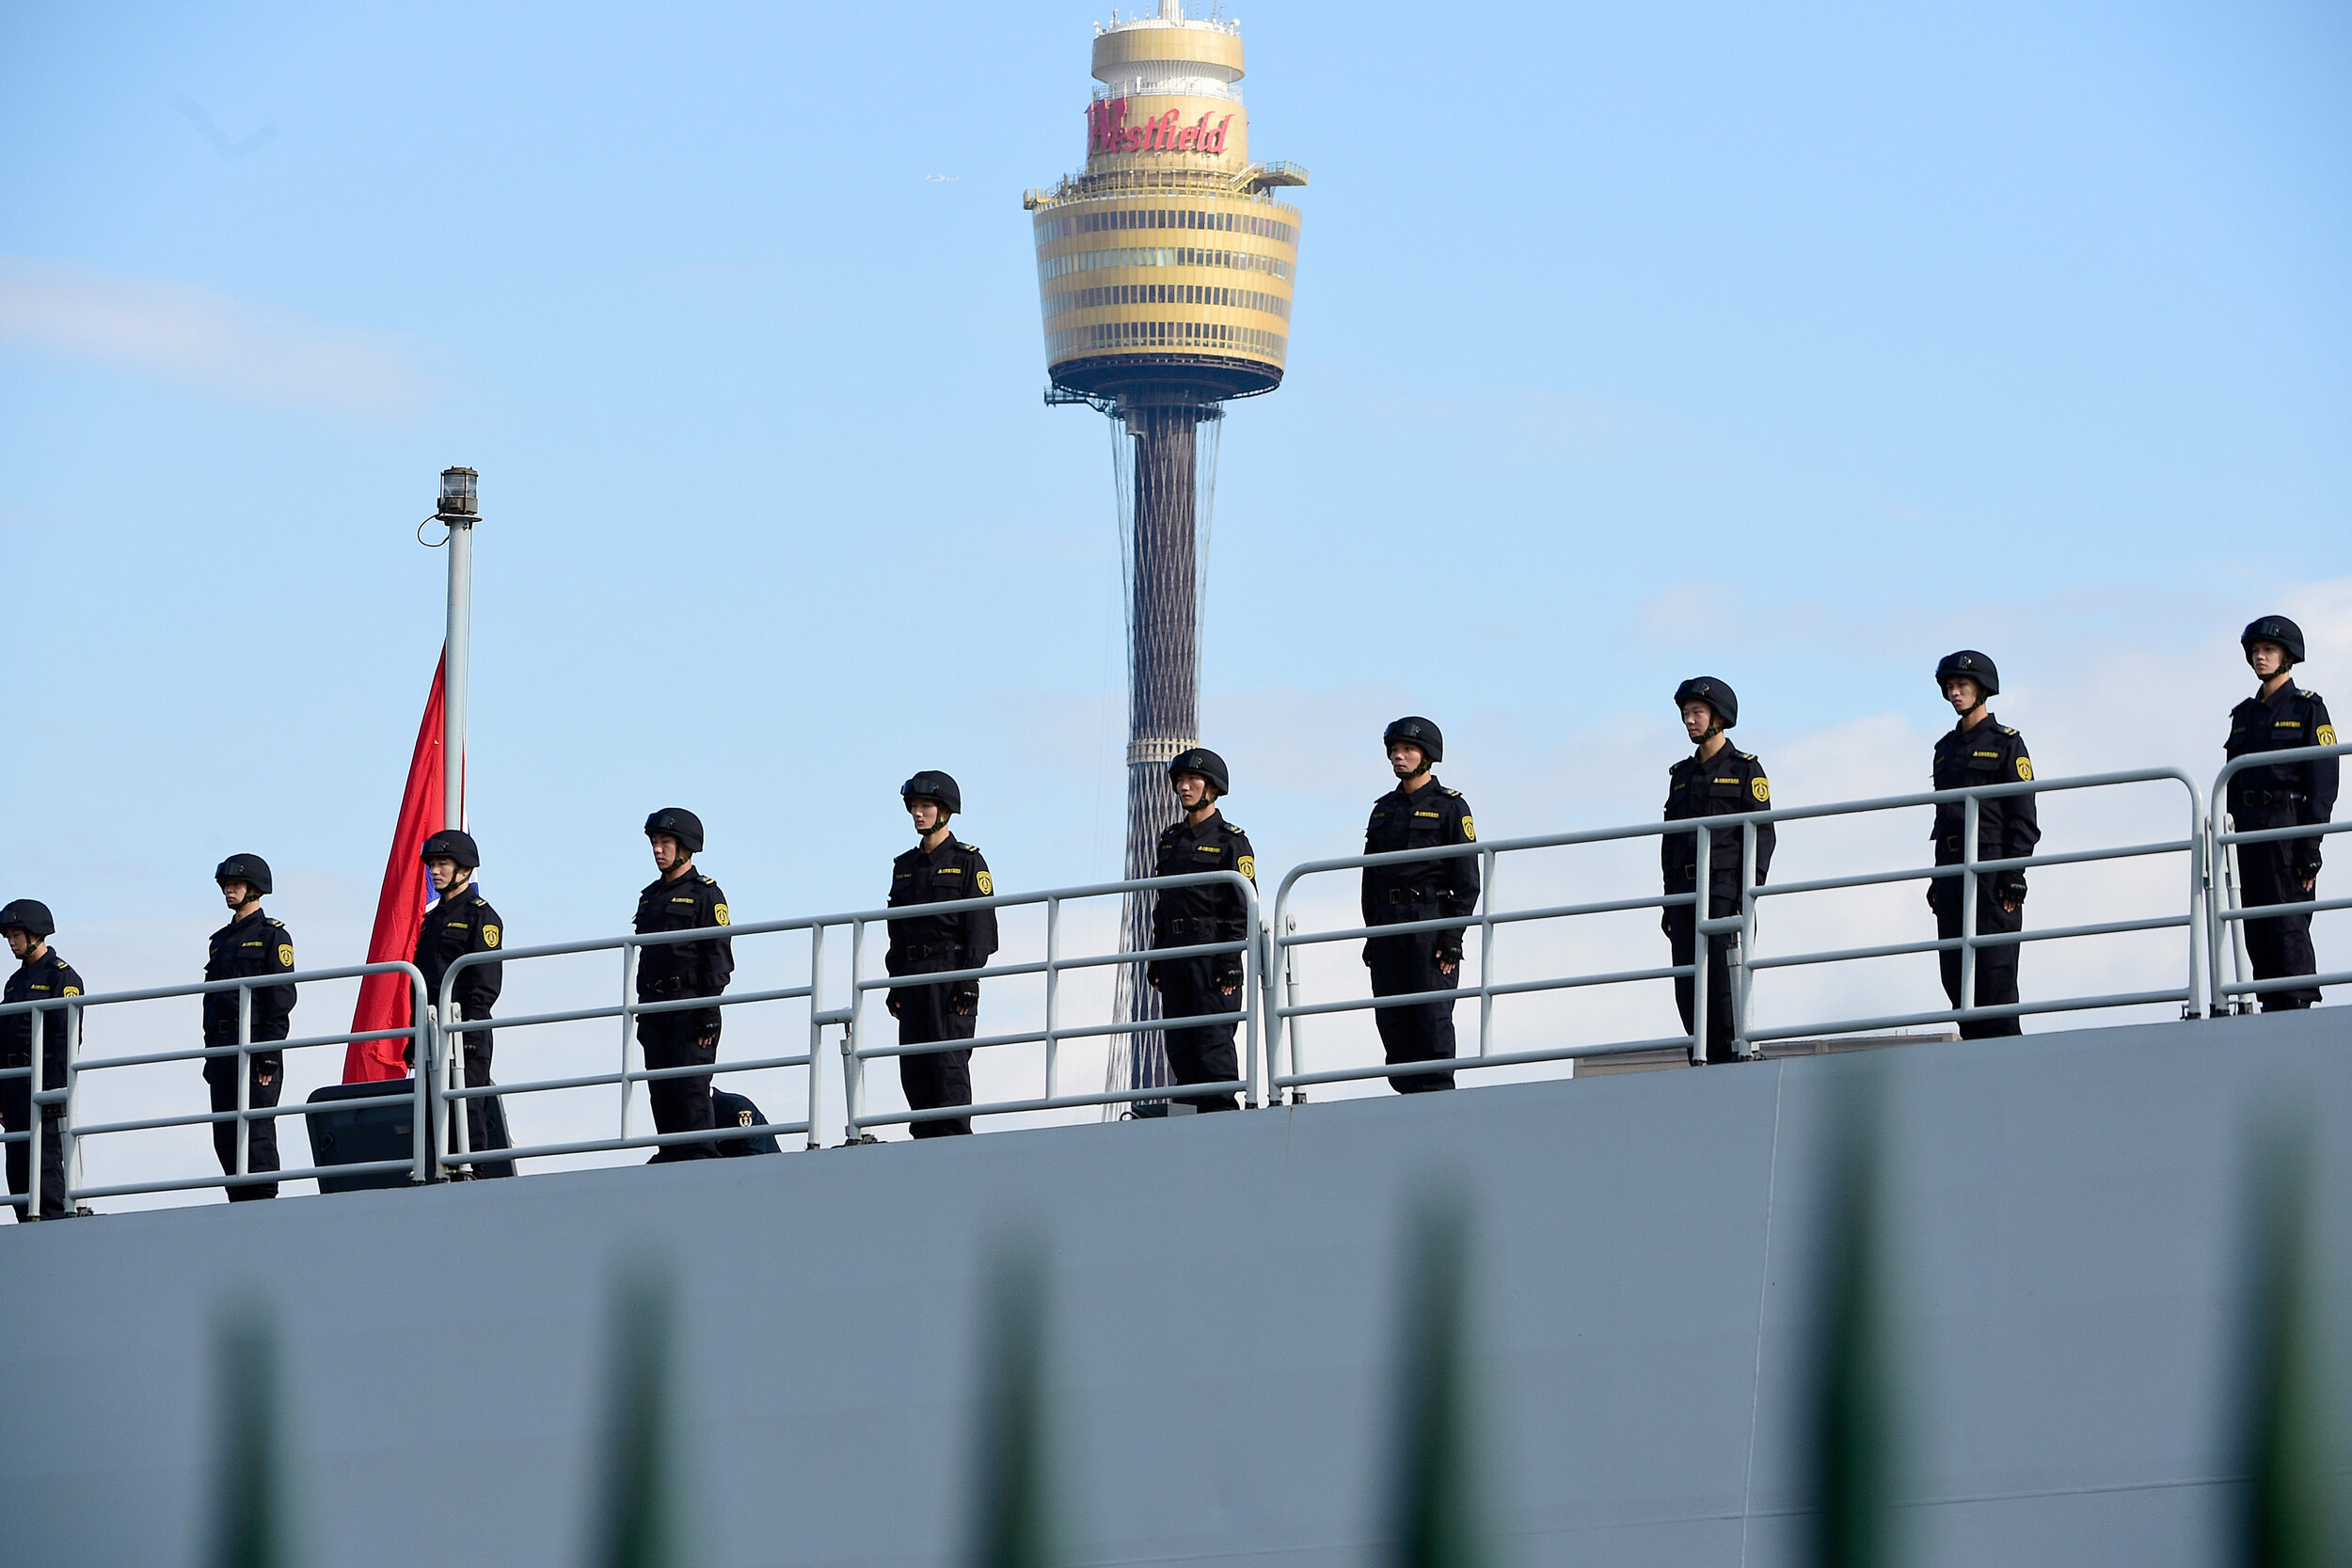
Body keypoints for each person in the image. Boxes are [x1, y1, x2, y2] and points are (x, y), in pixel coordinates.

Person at [2224, 616, 2339, 1010]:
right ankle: (2272, 1010)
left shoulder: (2308, 708)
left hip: (2288, 827)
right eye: (2255, 651)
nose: (2260, 656)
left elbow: (2323, 781)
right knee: (2256, 927)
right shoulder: (2243, 715)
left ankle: (2297, 1010)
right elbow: (2231, 785)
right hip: (2247, 831)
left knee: (2288, 925)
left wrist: (2310, 844)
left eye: (2269, 650)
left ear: (2288, 656)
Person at [1362, 717, 1479, 1093]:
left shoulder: (1451, 807)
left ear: (1427, 756)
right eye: (1394, 750)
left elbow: (1466, 880)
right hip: (1388, 926)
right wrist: (1371, 933)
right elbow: (1370, 881)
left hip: (1430, 923)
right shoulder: (1382, 810)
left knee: (1432, 1016)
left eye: (1408, 750)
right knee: (1392, 1017)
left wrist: (1452, 934)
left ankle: (1437, 1096)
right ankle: (1405, 1095)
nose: (1399, 756)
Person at [1661, 679, 1774, 1063]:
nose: (1689, 721)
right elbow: (1669, 844)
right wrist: (1669, 902)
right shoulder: (1680, 776)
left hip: (1727, 893)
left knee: (1727, 987)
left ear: (1719, 718)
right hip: (1686, 894)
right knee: (1689, 987)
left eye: (1697, 713)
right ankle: (1700, 1058)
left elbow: (1762, 835)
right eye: (1685, 714)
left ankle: (1734, 1060)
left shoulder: (1746, 770)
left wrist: (1749, 893)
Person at [1928, 651, 2041, 1037]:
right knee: (1956, 978)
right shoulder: (1945, 749)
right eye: (1950, 687)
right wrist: (1937, 877)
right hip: (1952, 872)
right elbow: (1942, 819)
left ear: (1982, 690)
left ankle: (2005, 1062)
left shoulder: (2007, 743)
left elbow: (2023, 816)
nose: (1955, 693)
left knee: (1995, 977)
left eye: (1962, 686)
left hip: (1992, 873)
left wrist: (2013, 871)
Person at [884, 771, 999, 1138]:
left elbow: (981, 928)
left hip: (950, 972)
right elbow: (896, 932)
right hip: (913, 973)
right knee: (914, 1064)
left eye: (926, 806)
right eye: (914, 806)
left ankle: (952, 1139)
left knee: (947, 1062)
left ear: (945, 811)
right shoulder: (904, 867)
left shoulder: (968, 862)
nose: (918, 813)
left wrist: (967, 979)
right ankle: (924, 1138)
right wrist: (896, 982)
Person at [1147, 749, 1256, 1112]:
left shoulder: (1231, 840)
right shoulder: (1170, 840)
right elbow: (1163, 905)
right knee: (1179, 1044)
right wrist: (1156, 955)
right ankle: (1187, 1118)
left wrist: (1229, 958)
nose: (1184, 787)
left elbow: (1243, 903)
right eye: (1180, 781)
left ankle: (1222, 1117)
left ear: (1213, 787)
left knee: (1213, 1042)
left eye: (1192, 780)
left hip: (1211, 954)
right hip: (1175, 951)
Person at [412, 829, 513, 1177]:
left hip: (465, 1028)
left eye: (443, 864)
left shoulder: (480, 916)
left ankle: (471, 1175)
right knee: (432, 1110)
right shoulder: (433, 919)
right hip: (432, 1028)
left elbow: (484, 982)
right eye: (433, 864)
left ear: (465, 870)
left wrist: (469, 1030)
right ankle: (439, 1172)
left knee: (467, 1108)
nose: (435, 871)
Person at [632, 809, 733, 1160]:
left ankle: (700, 1158)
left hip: (690, 1004)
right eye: (655, 843)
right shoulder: (650, 897)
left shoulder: (707, 895)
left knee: (691, 1088)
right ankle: (672, 1156)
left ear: (686, 847)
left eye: (666, 843)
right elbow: (645, 958)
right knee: (660, 1090)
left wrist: (708, 1010)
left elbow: (718, 958)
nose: (658, 850)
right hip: (655, 1007)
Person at [203, 855, 296, 1200]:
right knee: (225, 1132)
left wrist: (268, 1053)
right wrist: (210, 1052)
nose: (229, 890)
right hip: (223, 1046)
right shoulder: (219, 941)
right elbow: (209, 1001)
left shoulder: (273, 936)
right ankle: (238, 1199)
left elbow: (281, 998)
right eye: (226, 885)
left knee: (256, 1128)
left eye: (236, 885)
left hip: (256, 1044)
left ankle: (262, 1201)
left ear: (255, 889)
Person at [3, 899, 83, 1221]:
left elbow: (65, 1038)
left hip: (41, 1082)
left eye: (16, 935)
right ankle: (25, 1218)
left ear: (36, 933)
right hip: (13, 1083)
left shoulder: (61, 978)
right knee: (18, 1161)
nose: (11, 942)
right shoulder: (14, 982)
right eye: (8, 936)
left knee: (45, 1157)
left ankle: (50, 1219)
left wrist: (54, 1089)